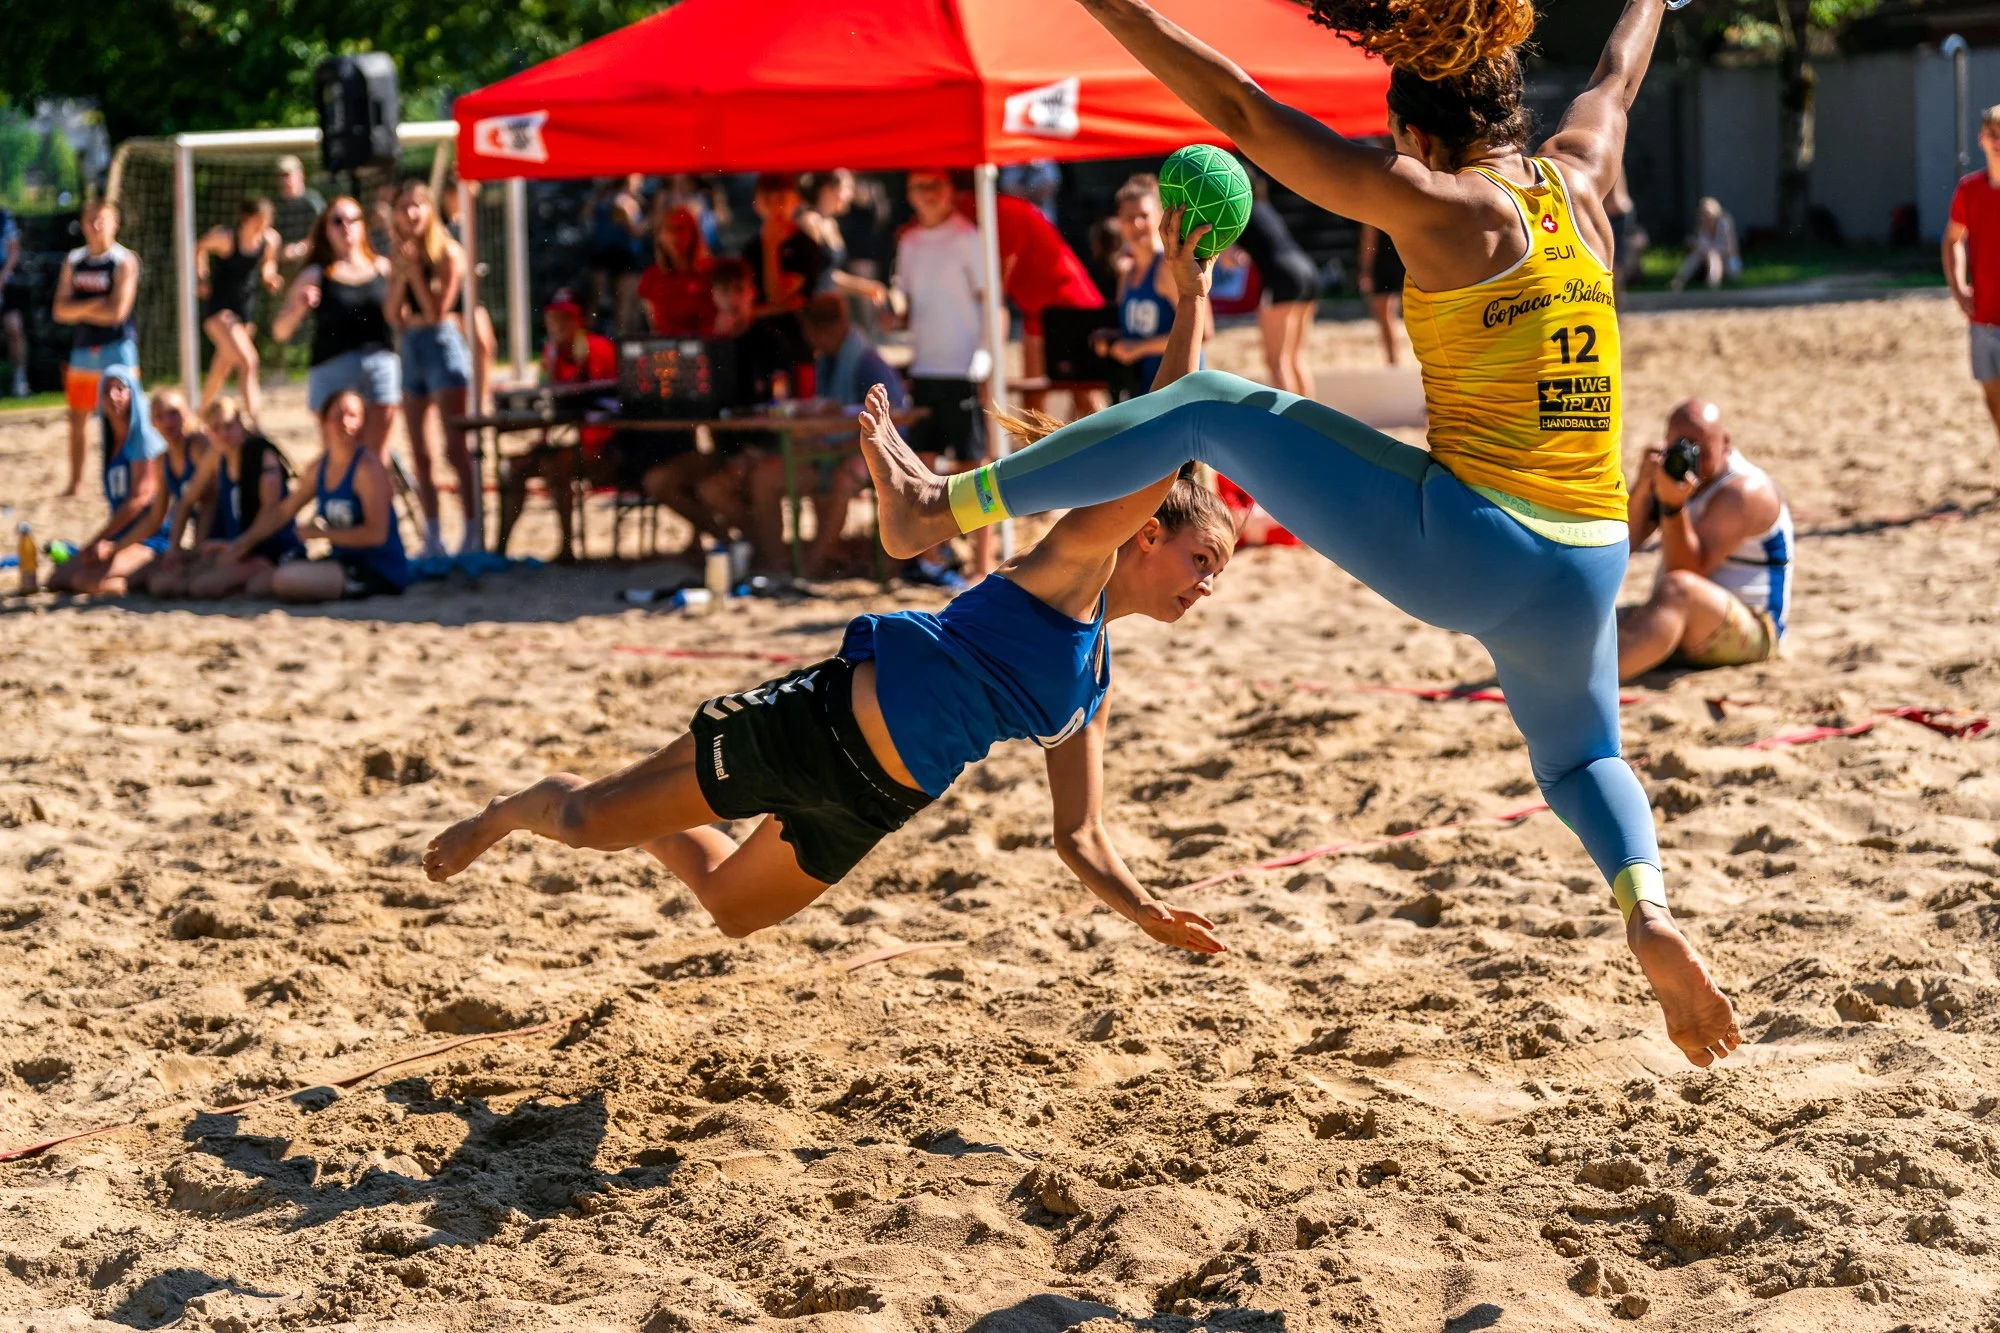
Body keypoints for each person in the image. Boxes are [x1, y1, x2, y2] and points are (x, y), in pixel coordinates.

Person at [854, 0, 1742, 1068]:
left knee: (1205, 405)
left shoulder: (1439, 205)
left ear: (1413, 133)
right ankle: (1646, 907)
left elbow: (1240, 109)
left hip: (1478, 541)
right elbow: (1614, 76)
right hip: (1591, 557)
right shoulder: (1582, 175)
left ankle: (942, 505)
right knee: (1583, 756)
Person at [420, 213, 1232, 959]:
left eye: (1217, 573)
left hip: (872, 802)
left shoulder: (1093, 681)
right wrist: (1191, 299)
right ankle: (508, 812)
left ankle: (656, 816)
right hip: (817, 726)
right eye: (1202, 559)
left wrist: (1146, 911)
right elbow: (1162, 432)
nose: (1205, 586)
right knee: (585, 819)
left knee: (731, 908)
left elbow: (1079, 835)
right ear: (1146, 531)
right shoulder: (1079, 563)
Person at [1616, 400, 1791, 679]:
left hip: (1754, 631)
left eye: (1701, 448)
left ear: (1725, 444)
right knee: (1593, 621)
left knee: (1678, 589)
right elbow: (1623, 543)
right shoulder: (1673, 475)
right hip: (1690, 617)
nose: (1691, 456)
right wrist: (1644, 485)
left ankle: (1586, 686)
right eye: (1682, 445)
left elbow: (1686, 570)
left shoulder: (1745, 492)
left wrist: (1673, 506)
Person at [745, 293, 908, 578]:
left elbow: (895, 420)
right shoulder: (827, 362)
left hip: (876, 453)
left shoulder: (867, 362)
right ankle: (778, 563)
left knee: (842, 479)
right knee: (764, 477)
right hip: (831, 450)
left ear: (819, 331)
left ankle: (813, 563)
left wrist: (842, 434)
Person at [892, 168, 993, 584]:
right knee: (923, 467)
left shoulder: (968, 236)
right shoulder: (909, 242)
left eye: (936, 185)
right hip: (924, 367)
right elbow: (904, 299)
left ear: (950, 190)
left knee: (974, 469)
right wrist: (888, 305)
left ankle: (983, 561)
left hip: (963, 368)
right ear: (909, 193)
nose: (929, 194)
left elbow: (991, 301)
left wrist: (985, 358)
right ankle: (930, 558)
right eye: (920, 186)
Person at [223, 388, 410, 602]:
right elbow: (283, 511)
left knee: (285, 579)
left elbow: (377, 535)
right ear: (323, 421)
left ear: (363, 423)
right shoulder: (320, 468)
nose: (345, 423)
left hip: (377, 569)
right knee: (258, 584)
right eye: (339, 416)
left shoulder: (367, 468)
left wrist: (322, 534)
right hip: (342, 560)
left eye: (353, 416)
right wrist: (242, 544)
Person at [385, 180, 479, 558]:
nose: (410, 214)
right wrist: (401, 274)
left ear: (429, 209)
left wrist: (413, 274)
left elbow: (437, 311)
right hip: (411, 346)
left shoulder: (448, 253)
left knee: (455, 447)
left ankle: (472, 531)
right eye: (403, 206)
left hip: (443, 345)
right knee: (420, 451)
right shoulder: (399, 254)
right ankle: (434, 536)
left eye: (417, 205)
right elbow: (393, 314)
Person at [952, 185, 1105, 413]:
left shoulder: (1005, 213)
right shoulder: (992, 211)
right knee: (1035, 398)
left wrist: (988, 358)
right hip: (1038, 311)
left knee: (1083, 394)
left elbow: (996, 292)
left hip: (1071, 305)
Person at [272, 196, 400, 459]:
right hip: (333, 370)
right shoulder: (316, 274)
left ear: (363, 225)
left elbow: (401, 318)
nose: (346, 227)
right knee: (338, 457)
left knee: (376, 455)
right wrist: (299, 307)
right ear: (326, 229)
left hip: (380, 367)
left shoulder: (383, 269)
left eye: (353, 220)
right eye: (337, 221)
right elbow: (280, 331)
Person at [497, 290, 619, 559]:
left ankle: (566, 547)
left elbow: (601, 408)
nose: (559, 325)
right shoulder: (551, 352)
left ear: (579, 321)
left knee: (556, 465)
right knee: (515, 468)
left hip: (605, 448)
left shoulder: (596, 348)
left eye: (566, 318)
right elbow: (549, 405)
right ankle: (500, 548)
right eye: (554, 319)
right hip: (568, 443)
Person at [47, 366, 164, 596]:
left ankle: (146, 576)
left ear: (133, 394)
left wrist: (100, 538)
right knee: (58, 579)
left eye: (120, 388)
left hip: (148, 539)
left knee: (89, 582)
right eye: (107, 390)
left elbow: (139, 499)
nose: (113, 396)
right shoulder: (112, 443)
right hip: (118, 537)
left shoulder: (144, 440)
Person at [51, 200, 139, 498]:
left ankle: (130, 478)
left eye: (102, 219)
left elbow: (117, 313)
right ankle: (76, 483)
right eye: (91, 220)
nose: (96, 226)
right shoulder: (75, 260)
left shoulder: (124, 260)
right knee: (78, 417)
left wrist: (78, 308)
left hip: (119, 347)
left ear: (115, 223)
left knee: (124, 415)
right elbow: (59, 311)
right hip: (84, 349)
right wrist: (96, 305)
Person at [182, 397, 306, 599]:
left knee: (202, 587)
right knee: (180, 580)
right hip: (242, 546)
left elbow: (271, 512)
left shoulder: (261, 455)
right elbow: (190, 496)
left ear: (241, 424)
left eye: (229, 426)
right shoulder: (221, 457)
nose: (224, 434)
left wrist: (238, 547)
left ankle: (260, 574)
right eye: (216, 429)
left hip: (271, 549)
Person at [1100, 175, 1203, 397]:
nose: (1137, 224)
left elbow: (1203, 331)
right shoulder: (1127, 273)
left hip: (1180, 393)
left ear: (1159, 217)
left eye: (1144, 216)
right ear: (1119, 222)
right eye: (1129, 217)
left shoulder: (1168, 267)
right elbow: (1137, 330)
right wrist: (1111, 339)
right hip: (1144, 394)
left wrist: (1138, 348)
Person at [195, 198, 282, 421]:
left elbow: (268, 264)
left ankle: (199, 416)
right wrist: (201, 277)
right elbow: (199, 247)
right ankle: (255, 422)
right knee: (249, 362)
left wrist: (270, 277)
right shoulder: (225, 238)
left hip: (245, 311)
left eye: (266, 221)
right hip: (220, 311)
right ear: (245, 218)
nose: (262, 226)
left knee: (221, 369)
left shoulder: (270, 240)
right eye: (258, 221)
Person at [1944, 106, 2000, 444]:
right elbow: (1953, 240)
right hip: (1983, 319)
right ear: (1981, 139)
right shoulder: (1970, 189)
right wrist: (1958, 289)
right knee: (1992, 397)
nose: (1999, 142)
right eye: (1994, 135)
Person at [1237, 172, 1321, 394]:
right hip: (1308, 270)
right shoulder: (1265, 207)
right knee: (1295, 357)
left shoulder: (1241, 212)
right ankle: (1310, 414)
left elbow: (1232, 257)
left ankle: (1290, 416)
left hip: (1283, 274)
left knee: (1276, 361)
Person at [742, 172, 827, 364]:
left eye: (780, 200)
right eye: (767, 200)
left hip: (795, 345)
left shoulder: (805, 246)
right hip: (757, 344)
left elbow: (777, 295)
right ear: (757, 204)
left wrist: (771, 247)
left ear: (795, 201)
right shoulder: (751, 249)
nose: (774, 208)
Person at [135, 389, 212, 598]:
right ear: (153, 423)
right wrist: (114, 547)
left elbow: (210, 502)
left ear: (187, 414)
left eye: (174, 413)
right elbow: (155, 519)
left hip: (222, 536)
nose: (168, 422)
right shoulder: (163, 461)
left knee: (169, 584)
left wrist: (189, 550)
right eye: (160, 416)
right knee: (155, 580)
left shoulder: (198, 445)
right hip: (202, 542)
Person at [802, 171, 891, 310]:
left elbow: (828, 276)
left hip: (825, 308)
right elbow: (811, 278)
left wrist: (867, 288)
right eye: (847, 188)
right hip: (810, 309)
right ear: (827, 190)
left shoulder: (831, 223)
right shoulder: (809, 222)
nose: (851, 195)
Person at [637, 205, 716, 337]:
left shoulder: (712, 272)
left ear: (693, 233)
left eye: (680, 229)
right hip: (668, 347)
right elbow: (655, 328)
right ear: (659, 236)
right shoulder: (651, 277)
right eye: (668, 229)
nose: (675, 236)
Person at [584, 175, 648, 334]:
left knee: (601, 300)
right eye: (637, 179)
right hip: (623, 254)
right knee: (624, 303)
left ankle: (592, 335)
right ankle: (621, 338)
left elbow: (586, 215)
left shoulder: (603, 198)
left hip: (606, 253)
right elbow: (635, 231)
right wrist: (654, 219)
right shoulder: (624, 201)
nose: (640, 184)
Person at [1356, 222, 1405, 366]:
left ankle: (1393, 361)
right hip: (1405, 256)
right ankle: (1395, 361)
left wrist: (1365, 270)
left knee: (1385, 315)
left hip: (1383, 261)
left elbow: (1369, 236)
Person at [1670, 197, 1740, 292]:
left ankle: (1713, 283)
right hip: (1707, 261)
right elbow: (1700, 247)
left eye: (1707, 215)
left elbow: (1731, 250)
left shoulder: (1724, 225)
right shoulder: (1702, 226)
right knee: (1697, 254)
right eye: (1702, 215)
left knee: (1712, 255)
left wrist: (1712, 251)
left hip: (1729, 262)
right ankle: (1680, 280)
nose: (1705, 219)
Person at [272, 156, 326, 266]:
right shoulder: (275, 205)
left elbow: (323, 233)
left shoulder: (312, 202)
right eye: (281, 175)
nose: (285, 180)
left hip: (310, 262)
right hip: (281, 263)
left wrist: (298, 249)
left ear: (300, 175)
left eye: (288, 175)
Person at [1, 204, 27, 397]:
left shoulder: (3, 217)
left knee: (14, 327)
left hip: (6, 284)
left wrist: (2, 277)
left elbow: (14, 249)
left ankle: (20, 380)